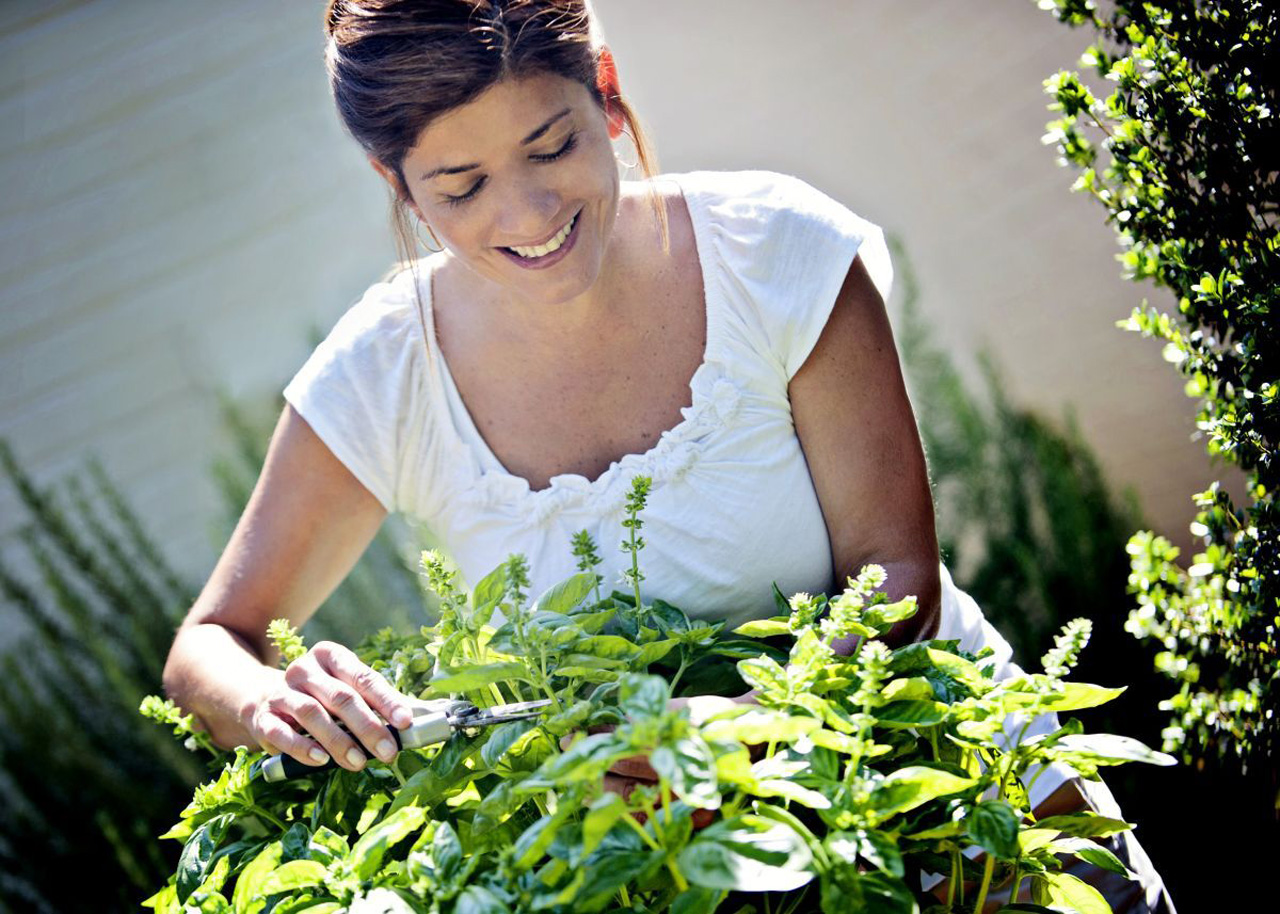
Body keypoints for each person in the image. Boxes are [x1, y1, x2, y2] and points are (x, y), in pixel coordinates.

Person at [161, 2, 1174, 910]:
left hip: (948, 777)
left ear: (604, 93)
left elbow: (896, 582)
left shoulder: (772, 254)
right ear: (395, 181)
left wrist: (717, 735)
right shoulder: (384, 373)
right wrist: (277, 703)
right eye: (460, 187)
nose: (524, 215)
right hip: (675, 863)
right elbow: (209, 645)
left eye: (550, 146)